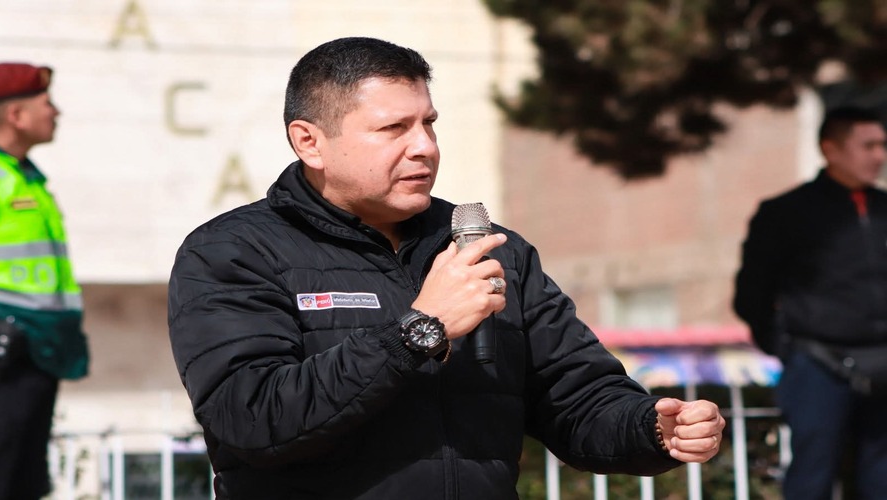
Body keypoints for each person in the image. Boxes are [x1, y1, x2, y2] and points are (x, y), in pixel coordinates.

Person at [168, 37, 725, 499]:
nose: (425, 147)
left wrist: (651, 428)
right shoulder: (233, 253)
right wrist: (419, 330)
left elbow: (576, 398)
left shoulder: (493, 250)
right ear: (309, 142)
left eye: (429, 124)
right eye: (393, 129)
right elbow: (252, 420)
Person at [734, 106, 887, 500]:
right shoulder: (785, 213)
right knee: (812, 478)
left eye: (883, 145)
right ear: (831, 149)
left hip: (883, 363)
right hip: (818, 365)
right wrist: (788, 349)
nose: (879, 156)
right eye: (868, 146)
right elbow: (752, 294)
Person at [0, 63, 89, 500]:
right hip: (9, 347)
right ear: (16, 115)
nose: (56, 112)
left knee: (24, 480)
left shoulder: (26, 176)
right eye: (46, 103)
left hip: (36, 350)